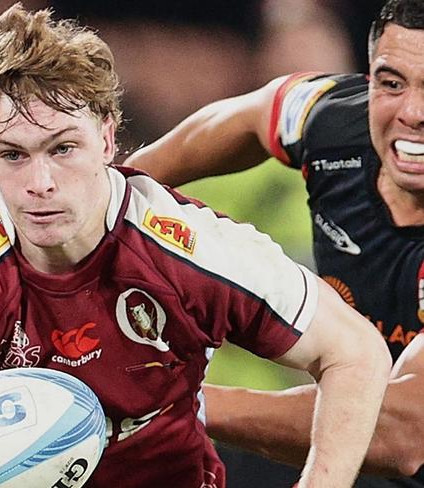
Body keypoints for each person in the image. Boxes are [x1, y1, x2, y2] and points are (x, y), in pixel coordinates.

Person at [0, 4, 392, 488]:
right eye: (12, 155)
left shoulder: (189, 248)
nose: (39, 182)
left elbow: (354, 352)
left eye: (63, 148)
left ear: (108, 139)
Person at [124, 0, 424, 485]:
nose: (412, 111)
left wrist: (167, 397)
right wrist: (106, 196)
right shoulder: (331, 119)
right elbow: (251, 116)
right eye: (392, 83)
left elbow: (406, 430)